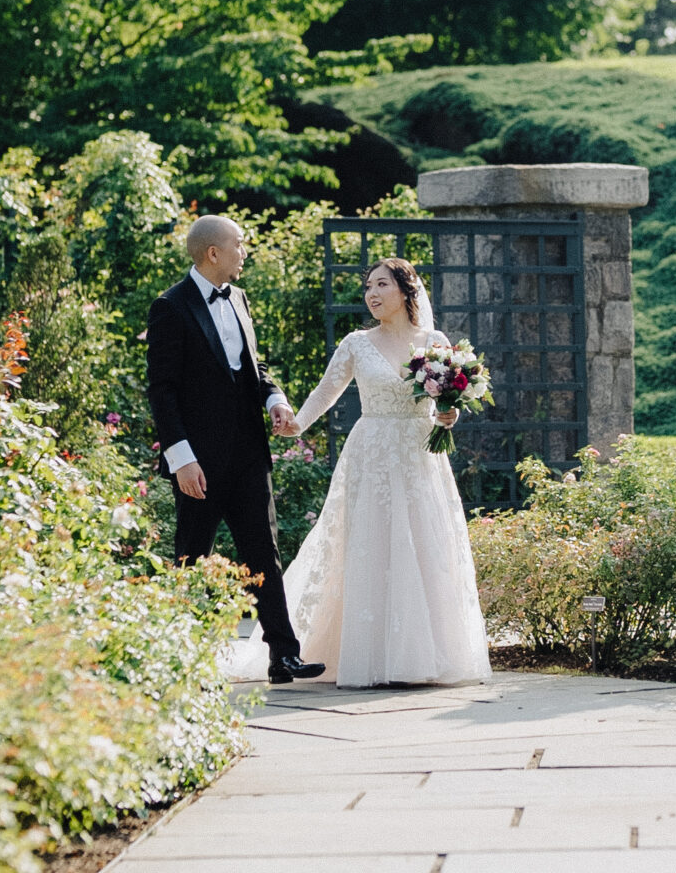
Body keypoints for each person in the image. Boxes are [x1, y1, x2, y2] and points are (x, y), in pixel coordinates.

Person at [264, 256, 490, 688]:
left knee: (422, 544)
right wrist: (297, 424)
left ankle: (421, 655)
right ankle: (369, 654)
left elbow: (447, 402)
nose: (372, 294)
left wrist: (449, 415)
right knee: (371, 545)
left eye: (382, 285)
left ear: (406, 291)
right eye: (368, 287)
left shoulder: (434, 341)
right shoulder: (356, 342)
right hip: (372, 453)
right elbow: (326, 390)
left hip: (420, 453)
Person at [145, 215, 325, 686]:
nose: (244, 252)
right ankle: (177, 661)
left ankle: (283, 656)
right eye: (239, 245)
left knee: (264, 553)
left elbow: (252, 366)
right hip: (198, 463)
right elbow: (161, 391)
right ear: (213, 253)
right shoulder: (169, 307)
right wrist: (181, 459)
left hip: (248, 454)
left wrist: (276, 400)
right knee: (192, 558)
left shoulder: (240, 299)